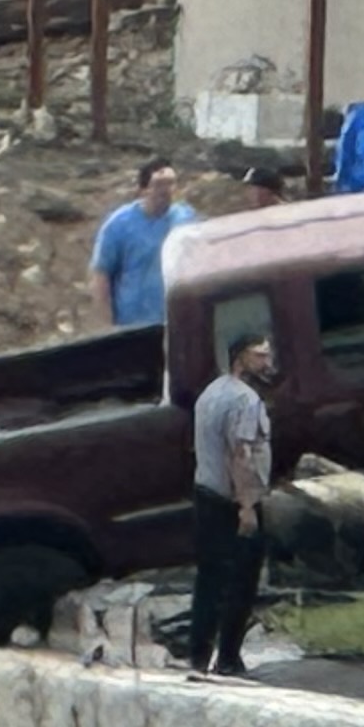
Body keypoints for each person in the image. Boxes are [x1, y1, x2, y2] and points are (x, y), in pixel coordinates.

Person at [186, 326, 277, 678]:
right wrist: (248, 506)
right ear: (241, 357)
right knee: (242, 579)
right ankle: (228, 657)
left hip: (205, 493)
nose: (267, 362)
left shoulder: (209, 393)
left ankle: (197, 655)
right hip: (232, 500)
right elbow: (240, 454)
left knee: (208, 578)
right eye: (260, 355)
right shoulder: (245, 400)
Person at [88, 160, 193, 331]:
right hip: (131, 325)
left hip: (174, 323)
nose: (166, 191)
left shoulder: (185, 218)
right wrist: (106, 327)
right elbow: (101, 274)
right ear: (143, 190)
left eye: (171, 183)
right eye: (159, 184)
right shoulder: (119, 224)